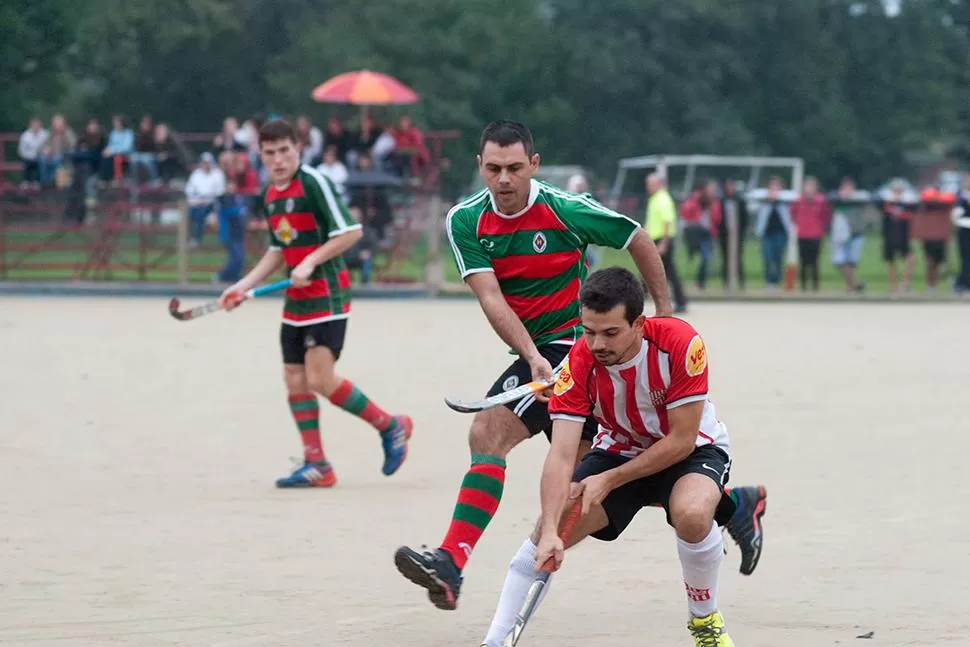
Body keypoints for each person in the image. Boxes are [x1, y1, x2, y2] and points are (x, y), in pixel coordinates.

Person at [393, 120, 765, 613]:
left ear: (534, 165)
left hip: (584, 348)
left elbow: (635, 236)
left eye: (514, 168)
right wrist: (531, 359)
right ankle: (734, 506)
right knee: (593, 477)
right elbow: (491, 298)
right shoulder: (466, 220)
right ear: (479, 167)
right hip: (539, 352)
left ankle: (450, 563)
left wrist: (665, 315)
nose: (504, 180)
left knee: (511, 446)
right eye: (493, 169)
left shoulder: (564, 209)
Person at [494, 267, 744, 646]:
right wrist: (549, 534)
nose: (597, 345)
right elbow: (561, 457)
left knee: (692, 515)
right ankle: (494, 641)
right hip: (617, 447)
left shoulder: (681, 343)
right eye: (589, 331)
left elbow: (681, 440)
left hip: (691, 450)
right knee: (547, 531)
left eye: (611, 333)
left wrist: (609, 480)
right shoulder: (579, 361)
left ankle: (704, 619)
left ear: (639, 323)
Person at [218, 119, 412, 488]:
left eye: (285, 151)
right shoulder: (270, 195)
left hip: (327, 294)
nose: (278, 160)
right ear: (260, 155)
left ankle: (391, 425)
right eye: (270, 153)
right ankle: (317, 464)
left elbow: (350, 232)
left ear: (299, 149)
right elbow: (278, 250)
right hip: (296, 300)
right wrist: (241, 286)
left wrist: (310, 260)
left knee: (319, 379)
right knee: (294, 379)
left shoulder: (313, 182)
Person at [645, 173, 688, 312]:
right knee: (659, 269)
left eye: (651, 184)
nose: (648, 187)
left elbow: (667, 221)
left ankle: (679, 300)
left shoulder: (663, 199)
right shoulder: (655, 198)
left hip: (662, 239)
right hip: (654, 239)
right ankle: (678, 300)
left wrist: (664, 243)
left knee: (659, 269)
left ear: (659, 184)